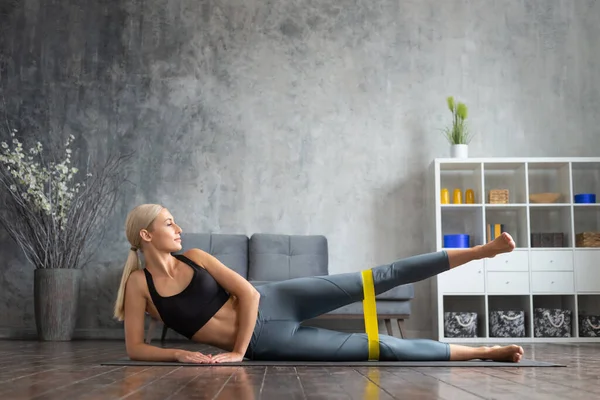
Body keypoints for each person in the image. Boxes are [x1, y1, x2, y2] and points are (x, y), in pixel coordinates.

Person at [114, 204, 524, 364]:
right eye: (168, 223)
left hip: (276, 301)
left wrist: (237, 353)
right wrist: (178, 357)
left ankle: (482, 250)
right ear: (146, 235)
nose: (178, 227)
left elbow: (250, 293)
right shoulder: (139, 285)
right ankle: (485, 352)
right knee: (378, 348)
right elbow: (136, 349)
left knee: (379, 277)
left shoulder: (196, 258)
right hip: (268, 343)